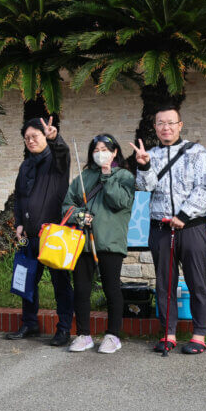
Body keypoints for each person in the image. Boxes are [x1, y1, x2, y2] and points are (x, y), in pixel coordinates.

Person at [130, 104, 206, 354]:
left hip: (191, 228)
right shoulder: (151, 153)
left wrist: (183, 215)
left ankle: (199, 335)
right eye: (160, 123)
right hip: (160, 229)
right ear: (155, 127)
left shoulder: (197, 152)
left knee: (197, 281)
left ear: (180, 125)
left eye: (170, 123)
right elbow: (145, 187)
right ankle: (168, 333)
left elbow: (205, 188)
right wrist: (144, 165)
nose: (165, 127)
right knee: (165, 283)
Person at [61, 135, 135, 354]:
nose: (100, 152)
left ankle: (113, 335)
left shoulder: (124, 176)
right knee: (81, 289)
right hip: (83, 242)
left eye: (105, 149)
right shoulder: (84, 176)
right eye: (96, 149)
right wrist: (78, 215)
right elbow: (67, 204)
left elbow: (120, 202)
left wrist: (107, 176)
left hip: (110, 242)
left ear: (114, 153)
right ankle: (84, 334)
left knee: (112, 288)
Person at [6, 116, 75, 345]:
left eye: (34, 136)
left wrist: (56, 139)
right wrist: (18, 223)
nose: (30, 140)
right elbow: (19, 198)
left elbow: (63, 153)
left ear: (45, 136)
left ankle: (64, 328)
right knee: (27, 280)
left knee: (60, 284)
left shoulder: (56, 161)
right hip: (29, 236)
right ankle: (30, 323)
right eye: (26, 138)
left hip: (54, 235)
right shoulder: (26, 166)